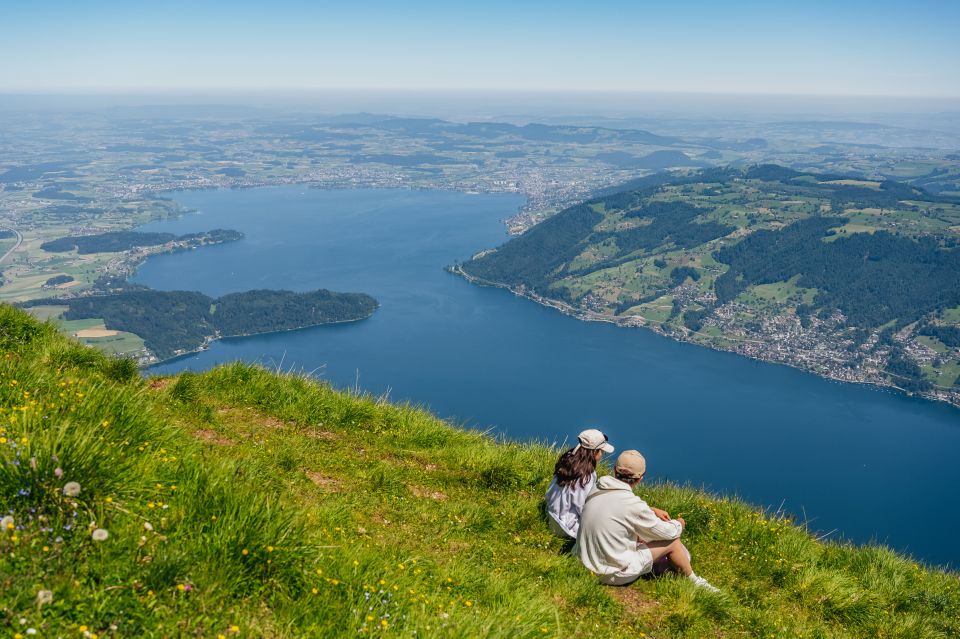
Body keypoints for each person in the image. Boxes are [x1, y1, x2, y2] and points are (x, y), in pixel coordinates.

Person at [573, 450, 719, 592]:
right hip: (610, 574)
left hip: (581, 563)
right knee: (673, 541)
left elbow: (616, 508)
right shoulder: (634, 505)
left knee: (639, 535)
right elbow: (668, 533)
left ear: (614, 470)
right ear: (640, 478)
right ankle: (695, 581)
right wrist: (679, 523)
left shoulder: (597, 486)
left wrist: (651, 509)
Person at [544, 429, 614, 539]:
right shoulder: (587, 475)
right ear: (595, 452)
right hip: (566, 529)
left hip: (551, 517)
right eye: (602, 451)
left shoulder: (567, 460)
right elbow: (583, 507)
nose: (602, 454)